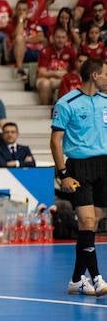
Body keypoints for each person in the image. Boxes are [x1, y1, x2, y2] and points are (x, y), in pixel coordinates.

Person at [50, 57, 107, 296]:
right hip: (79, 167)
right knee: (87, 222)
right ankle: (97, 278)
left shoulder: (106, 101)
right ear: (94, 75)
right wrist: (63, 174)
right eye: (105, 73)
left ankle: (76, 280)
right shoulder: (67, 103)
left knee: (91, 224)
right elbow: (55, 141)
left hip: (103, 166)